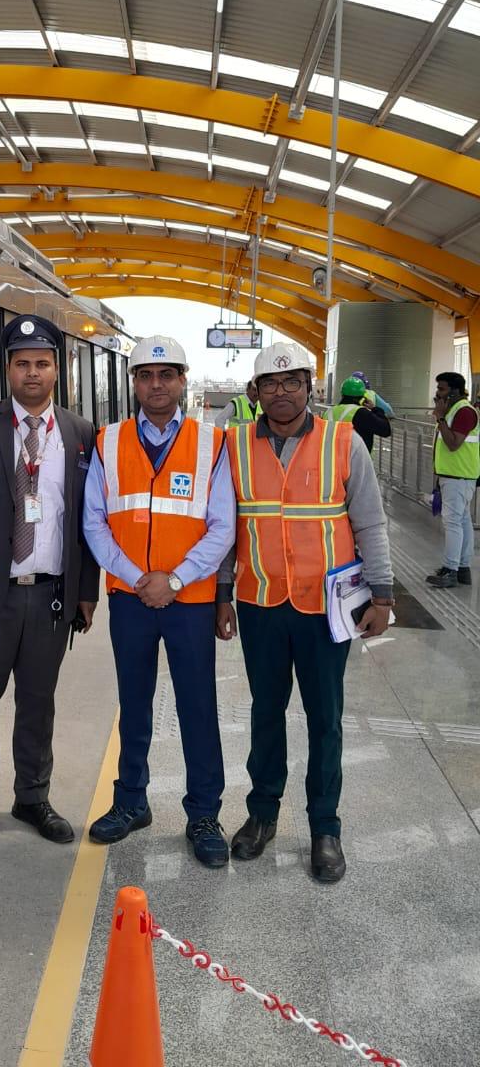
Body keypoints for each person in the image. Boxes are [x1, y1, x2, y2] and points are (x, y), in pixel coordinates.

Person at [216, 341, 393, 884]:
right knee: (265, 714)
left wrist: (383, 595)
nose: (282, 392)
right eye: (271, 383)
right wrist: (223, 595)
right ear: (255, 392)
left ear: (310, 386)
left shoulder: (344, 442)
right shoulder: (235, 445)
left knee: (326, 719)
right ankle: (262, 814)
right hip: (261, 602)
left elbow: (369, 521)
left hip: (325, 608)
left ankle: (325, 827)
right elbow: (225, 529)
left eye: (293, 381)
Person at [83, 335, 235, 866]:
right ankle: (131, 802)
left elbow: (222, 528)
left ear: (182, 381)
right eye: (146, 376)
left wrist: (173, 579)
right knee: (135, 702)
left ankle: (203, 813)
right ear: (134, 383)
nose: (156, 385)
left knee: (198, 707)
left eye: (166, 375)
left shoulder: (211, 443)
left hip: (188, 600)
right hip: (130, 599)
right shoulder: (108, 440)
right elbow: (94, 522)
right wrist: (137, 577)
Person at [0, 314, 99, 852]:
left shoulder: (80, 432)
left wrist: (88, 591)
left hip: (51, 595)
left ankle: (32, 796)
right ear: (8, 369)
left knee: (39, 701)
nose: (32, 373)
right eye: (22, 364)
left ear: (57, 370)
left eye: (42, 364)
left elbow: (88, 518)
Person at [426, 371, 479, 589]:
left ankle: (451, 570)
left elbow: (453, 443)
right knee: (463, 521)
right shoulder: (455, 410)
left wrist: (439, 417)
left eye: (442, 389)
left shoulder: (464, 411)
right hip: (454, 475)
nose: (437, 394)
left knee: (453, 522)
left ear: (455, 391)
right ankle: (463, 568)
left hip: (459, 476)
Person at [327, 376, 391, 453]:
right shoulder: (361, 413)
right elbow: (385, 430)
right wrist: (375, 409)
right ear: (362, 396)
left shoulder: (328, 412)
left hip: (331, 460)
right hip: (356, 461)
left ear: (342, 394)